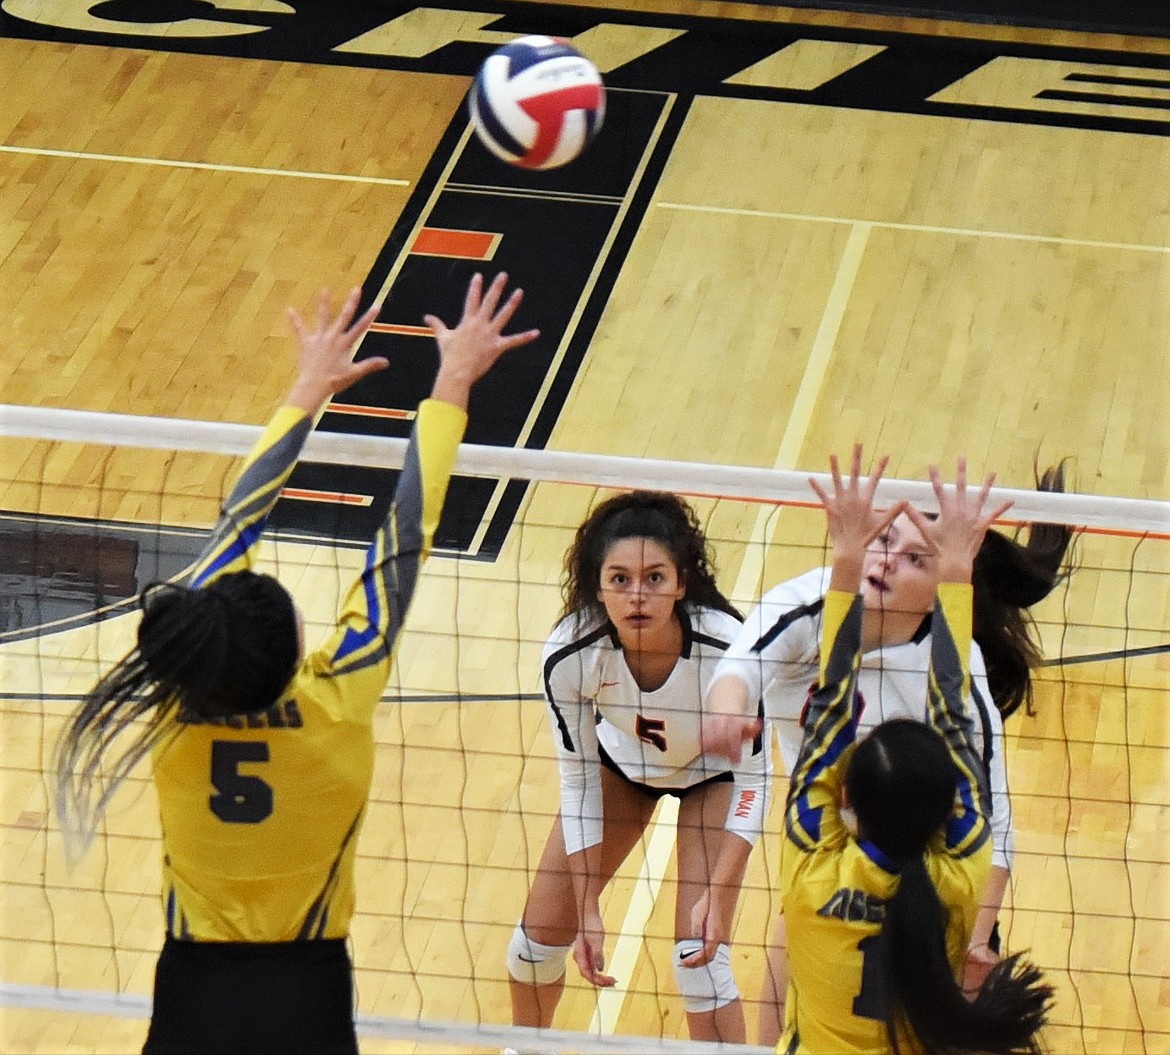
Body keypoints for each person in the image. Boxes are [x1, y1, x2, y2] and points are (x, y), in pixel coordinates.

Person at [53, 272, 540, 1055]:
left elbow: (235, 525)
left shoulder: (177, 697)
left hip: (193, 990)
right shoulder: (336, 698)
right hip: (306, 991)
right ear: (290, 649)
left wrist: (305, 388)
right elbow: (404, 537)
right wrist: (450, 382)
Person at [695, 463, 1071, 1044]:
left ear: (937, 592)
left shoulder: (954, 663)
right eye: (884, 541)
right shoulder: (805, 603)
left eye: (917, 558)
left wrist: (975, 937)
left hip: (901, 871)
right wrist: (726, 704)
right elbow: (741, 666)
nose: (887, 560)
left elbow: (1003, 821)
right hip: (881, 857)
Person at [506, 491, 771, 1043]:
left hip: (715, 777)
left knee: (699, 959)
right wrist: (587, 907)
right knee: (534, 946)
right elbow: (577, 779)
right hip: (621, 769)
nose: (637, 595)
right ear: (597, 586)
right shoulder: (571, 653)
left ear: (681, 582)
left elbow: (754, 781)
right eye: (620, 579)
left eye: (655, 578)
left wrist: (718, 895)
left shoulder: (732, 650)